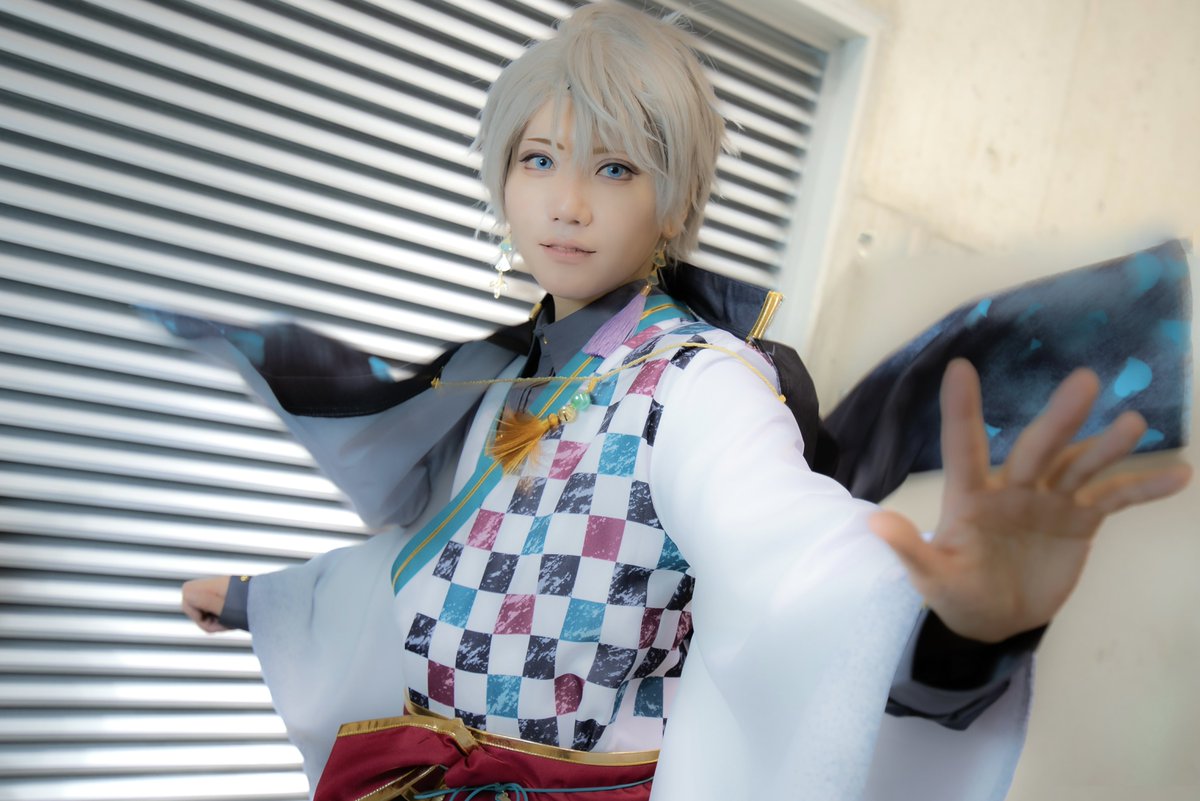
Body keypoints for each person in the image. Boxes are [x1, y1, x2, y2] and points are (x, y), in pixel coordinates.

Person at [175, 4, 1191, 800]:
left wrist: (966, 635)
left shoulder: (700, 383)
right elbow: (427, 565)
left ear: (673, 201)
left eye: (614, 168)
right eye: (539, 159)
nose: (568, 202)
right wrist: (265, 600)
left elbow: (800, 565)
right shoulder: (503, 376)